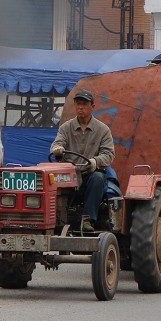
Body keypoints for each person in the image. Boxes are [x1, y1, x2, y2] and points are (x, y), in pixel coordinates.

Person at [50, 89, 115, 232]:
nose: (80, 107)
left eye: (84, 104)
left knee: (98, 178)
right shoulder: (66, 128)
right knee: (49, 180)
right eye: (78, 104)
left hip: (89, 175)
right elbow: (57, 144)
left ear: (92, 106)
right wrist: (58, 149)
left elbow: (108, 154)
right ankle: (52, 218)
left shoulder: (102, 130)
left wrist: (95, 162)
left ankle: (87, 219)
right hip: (68, 175)